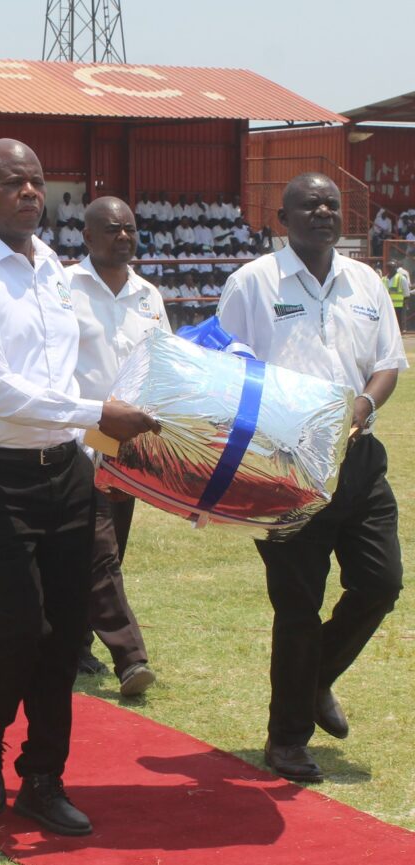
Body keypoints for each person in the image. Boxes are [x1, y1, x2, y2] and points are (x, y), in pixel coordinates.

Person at [0, 138, 158, 836]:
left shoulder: (52, 268)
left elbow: (72, 371)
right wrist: (97, 416)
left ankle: (44, 777)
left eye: (36, 182)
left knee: (65, 634)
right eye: (10, 183)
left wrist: (111, 433)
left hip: (64, 465)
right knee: (18, 625)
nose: (28, 192)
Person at [218, 173, 407, 784]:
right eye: (309, 204)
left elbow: (387, 363)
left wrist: (364, 407)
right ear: (283, 217)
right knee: (297, 605)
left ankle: (316, 677)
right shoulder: (252, 283)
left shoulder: (366, 281)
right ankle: (287, 740)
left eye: (331, 203)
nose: (323, 211)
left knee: (381, 582)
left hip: (358, 457)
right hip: (284, 464)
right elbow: (227, 366)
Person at [69, 197, 170, 695]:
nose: (124, 237)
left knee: (106, 551)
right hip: (76, 442)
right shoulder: (62, 289)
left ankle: (71, 643)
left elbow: (165, 364)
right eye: (113, 229)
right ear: (87, 236)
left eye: (130, 229)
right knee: (99, 549)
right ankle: (130, 657)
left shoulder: (149, 296)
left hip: (128, 448)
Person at [382, 259, 409, 332]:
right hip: (387, 304)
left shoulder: (401, 278)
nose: (390, 269)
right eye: (388, 267)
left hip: (398, 304)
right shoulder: (384, 279)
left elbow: (406, 291)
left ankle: (398, 332)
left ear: (395, 268)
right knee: (388, 320)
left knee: (397, 320)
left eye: (391, 267)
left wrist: (405, 300)